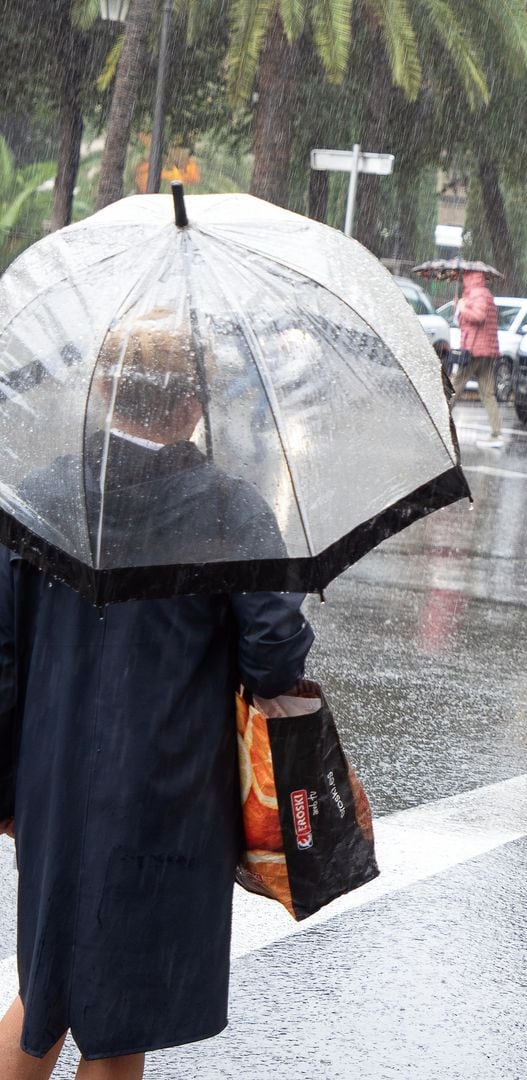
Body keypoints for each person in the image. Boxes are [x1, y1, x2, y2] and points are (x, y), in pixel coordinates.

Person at [0, 310, 315, 1080]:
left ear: (105, 389)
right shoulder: (229, 510)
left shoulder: (38, 500)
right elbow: (273, 656)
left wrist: (7, 783)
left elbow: (4, 657)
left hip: (52, 777)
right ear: (195, 406)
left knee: (47, 984)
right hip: (166, 788)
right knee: (124, 1006)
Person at [452, 270, 503, 449]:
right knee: (488, 392)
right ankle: (496, 434)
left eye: (465, 276)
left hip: (475, 349)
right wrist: (459, 308)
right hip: (487, 350)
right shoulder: (483, 294)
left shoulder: (478, 294)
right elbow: (466, 320)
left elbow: (478, 316)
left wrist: (463, 307)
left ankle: (438, 423)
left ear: (469, 277)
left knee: (454, 387)